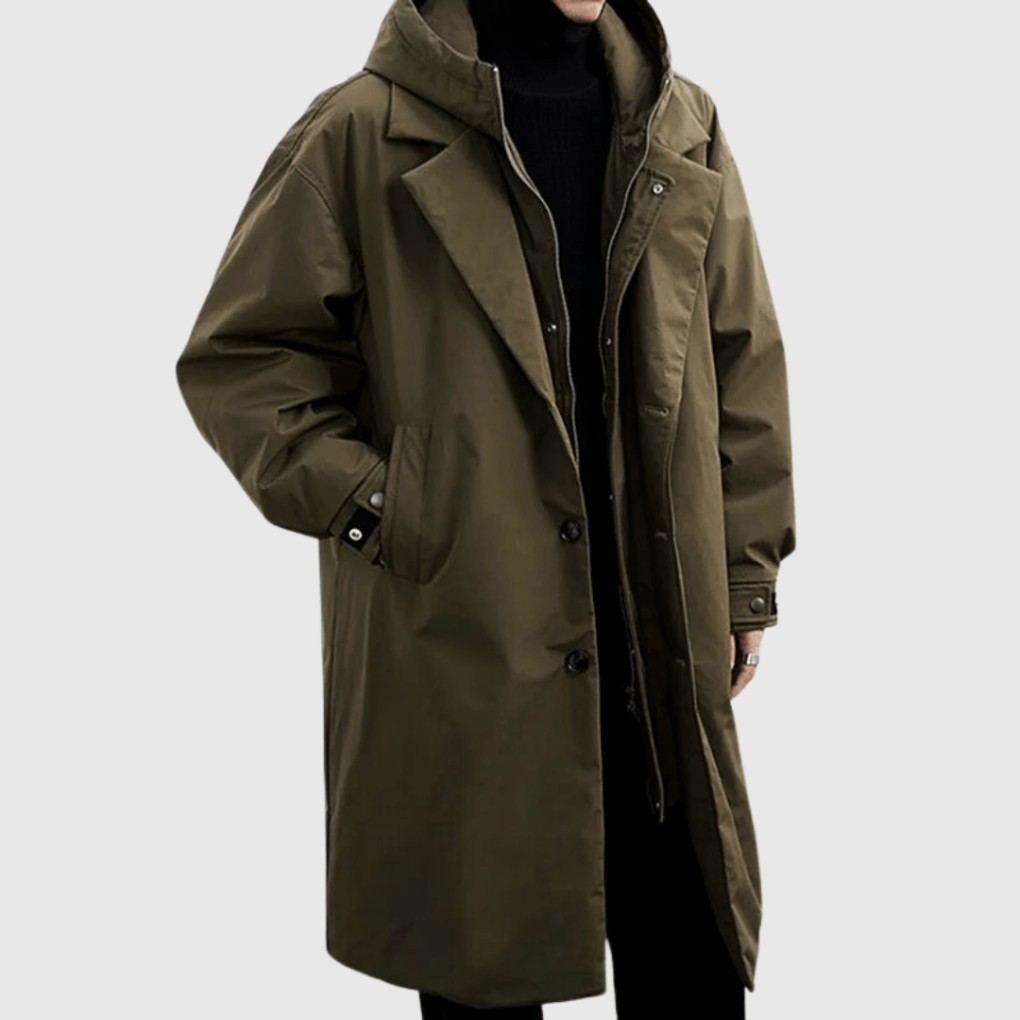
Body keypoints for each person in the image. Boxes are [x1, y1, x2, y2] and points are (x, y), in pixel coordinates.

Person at [175, 0, 796, 1016]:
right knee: (482, 967)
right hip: (471, 632)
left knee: (693, 955)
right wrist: (382, 506)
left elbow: (741, 358)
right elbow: (243, 361)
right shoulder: (363, 130)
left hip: (657, 638)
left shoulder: (682, 120)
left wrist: (743, 569)